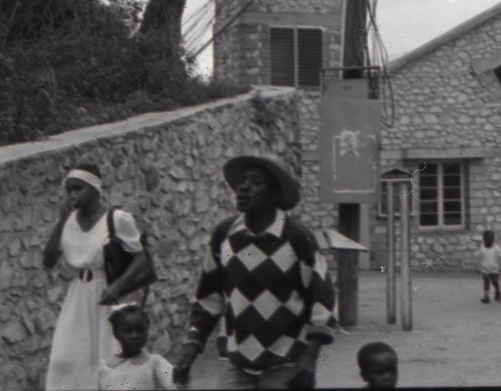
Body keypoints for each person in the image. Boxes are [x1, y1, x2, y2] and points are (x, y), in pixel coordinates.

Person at [172, 155, 336, 389]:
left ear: (275, 195)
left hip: (287, 362)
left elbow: (322, 301)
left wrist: (309, 361)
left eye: (256, 182)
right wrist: (192, 344)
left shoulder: (298, 238)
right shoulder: (224, 235)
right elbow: (209, 298)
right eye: (242, 181)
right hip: (236, 362)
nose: (243, 187)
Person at [43, 164, 149, 390]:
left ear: (94, 188)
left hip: (108, 293)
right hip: (78, 295)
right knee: (67, 357)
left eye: (78, 188)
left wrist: (118, 286)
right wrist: (60, 221)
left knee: (109, 352)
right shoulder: (68, 221)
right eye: (69, 190)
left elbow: (141, 259)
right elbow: (48, 262)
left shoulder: (116, 218)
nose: (73, 195)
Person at [94, 305, 174, 390]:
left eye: (140, 330)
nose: (134, 336)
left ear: (147, 332)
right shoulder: (106, 367)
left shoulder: (154, 363)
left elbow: (173, 385)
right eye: (127, 331)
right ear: (116, 334)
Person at [478, 230, 501, 303]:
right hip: (485, 269)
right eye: (487, 238)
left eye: (491, 238)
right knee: (486, 281)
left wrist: (500, 265)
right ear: (484, 239)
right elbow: (479, 258)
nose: (489, 240)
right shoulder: (482, 248)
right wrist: (478, 268)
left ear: (493, 239)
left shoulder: (496, 248)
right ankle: (486, 296)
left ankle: (497, 290)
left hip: (494, 269)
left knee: (494, 281)